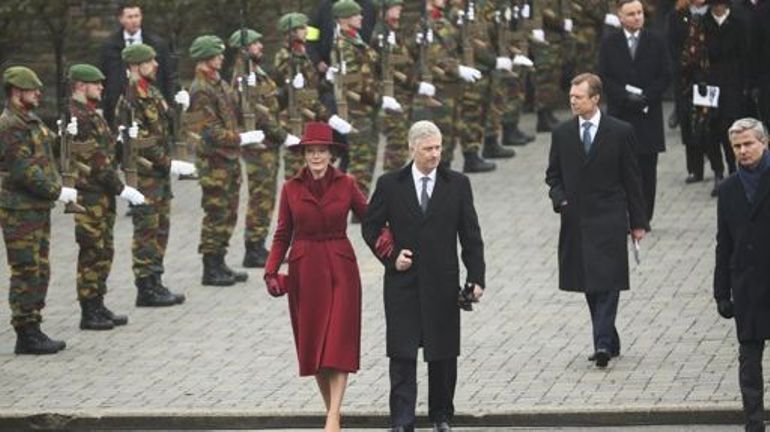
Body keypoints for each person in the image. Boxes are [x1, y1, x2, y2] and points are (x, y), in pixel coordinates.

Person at [362, 120, 486, 432]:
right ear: (412, 148)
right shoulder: (391, 184)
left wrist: (476, 277)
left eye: (438, 148)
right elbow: (371, 226)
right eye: (428, 148)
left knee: (443, 353)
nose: (435, 154)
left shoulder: (457, 184)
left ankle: (441, 415)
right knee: (402, 354)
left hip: (443, 283)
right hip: (403, 283)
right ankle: (402, 420)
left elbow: (471, 235)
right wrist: (391, 256)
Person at [263, 122, 367, 432]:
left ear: (332, 154)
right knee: (316, 350)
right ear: (304, 155)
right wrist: (271, 270)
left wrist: (390, 244)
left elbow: (370, 218)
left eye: (322, 151)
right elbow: (282, 233)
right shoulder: (290, 188)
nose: (317, 156)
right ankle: (331, 412)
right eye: (311, 151)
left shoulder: (347, 184)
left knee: (338, 344)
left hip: (340, 266)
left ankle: (333, 417)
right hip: (305, 270)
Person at [545, 73, 648, 368]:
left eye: (579, 97)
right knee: (590, 283)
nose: (573, 101)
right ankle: (609, 338)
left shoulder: (620, 131)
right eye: (571, 97)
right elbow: (553, 176)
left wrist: (637, 222)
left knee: (609, 280)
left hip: (610, 217)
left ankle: (601, 344)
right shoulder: (562, 133)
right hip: (576, 219)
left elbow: (632, 179)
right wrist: (560, 199)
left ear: (595, 99)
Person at [0, 66, 78, 354]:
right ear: (17, 92)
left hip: (35, 208)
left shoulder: (30, 121)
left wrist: (64, 136)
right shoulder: (10, 125)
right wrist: (57, 192)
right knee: (26, 270)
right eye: (33, 90)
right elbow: (23, 171)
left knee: (40, 268)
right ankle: (25, 332)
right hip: (19, 210)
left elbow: (45, 154)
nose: (38, 94)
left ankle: (34, 325)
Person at [67, 64, 146, 329]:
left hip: (102, 197)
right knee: (92, 251)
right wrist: (122, 188)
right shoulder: (77, 117)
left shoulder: (93, 115)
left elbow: (107, 151)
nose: (101, 87)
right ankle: (89, 310)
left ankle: (98, 304)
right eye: (96, 83)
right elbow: (97, 163)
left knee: (104, 250)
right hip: (89, 196)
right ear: (80, 85)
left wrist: (124, 141)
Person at [116, 44, 193, 306]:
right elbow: (142, 142)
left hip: (158, 178)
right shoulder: (130, 99)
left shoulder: (153, 92)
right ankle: (145, 287)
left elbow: (167, 124)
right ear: (136, 66)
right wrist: (169, 163)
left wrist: (180, 106)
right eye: (150, 62)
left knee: (161, 229)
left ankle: (156, 281)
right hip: (145, 176)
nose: (156, 65)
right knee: (146, 232)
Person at [187, 35, 259, 286]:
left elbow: (236, 107)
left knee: (229, 213)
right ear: (206, 58)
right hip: (214, 161)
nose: (221, 57)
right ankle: (210, 266)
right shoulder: (201, 90)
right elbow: (210, 131)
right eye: (216, 55)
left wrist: (246, 87)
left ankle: (221, 261)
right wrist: (242, 137)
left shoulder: (218, 83)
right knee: (216, 213)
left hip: (228, 159)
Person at [714, 117, 770, 432]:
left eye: (749, 144)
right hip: (746, 285)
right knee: (749, 361)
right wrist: (721, 292)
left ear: (764, 143)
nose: (743, 151)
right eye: (737, 146)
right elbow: (724, 243)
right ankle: (753, 423)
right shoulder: (729, 189)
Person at [227, 28, 300, 268]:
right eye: (255, 44)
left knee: (266, 196)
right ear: (243, 50)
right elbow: (257, 113)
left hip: (267, 144)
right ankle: (253, 248)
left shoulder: (255, 72)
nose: (260, 47)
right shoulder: (243, 76)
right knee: (261, 196)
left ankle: (258, 245)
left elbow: (269, 105)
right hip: (259, 146)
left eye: (259, 42)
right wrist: (283, 136)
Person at [599, 0, 672, 223]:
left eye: (639, 13)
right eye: (631, 14)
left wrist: (647, 96)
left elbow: (666, 74)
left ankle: (643, 217)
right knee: (620, 169)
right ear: (620, 17)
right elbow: (604, 76)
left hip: (648, 114)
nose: (637, 17)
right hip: (621, 114)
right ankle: (624, 215)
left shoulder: (656, 40)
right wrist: (624, 96)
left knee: (647, 169)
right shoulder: (610, 43)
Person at [273, 12, 330, 180]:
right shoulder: (285, 56)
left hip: (309, 116)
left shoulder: (302, 53)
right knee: (296, 172)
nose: (306, 31)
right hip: (294, 118)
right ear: (292, 33)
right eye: (302, 28)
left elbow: (311, 86)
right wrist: (290, 84)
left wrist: (327, 82)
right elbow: (284, 89)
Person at [99, 1, 173, 128]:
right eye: (130, 17)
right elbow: (103, 77)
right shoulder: (109, 46)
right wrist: (100, 106)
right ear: (121, 19)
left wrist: (171, 101)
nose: (134, 20)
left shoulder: (157, 44)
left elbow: (167, 75)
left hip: (151, 102)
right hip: (118, 103)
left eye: (137, 16)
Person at [703, 0, 751, 194]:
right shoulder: (701, 24)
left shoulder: (738, 22)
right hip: (708, 85)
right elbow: (693, 55)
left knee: (731, 127)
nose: (718, 7)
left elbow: (746, 55)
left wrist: (746, 84)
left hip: (733, 84)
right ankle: (718, 172)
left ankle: (733, 170)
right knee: (710, 129)